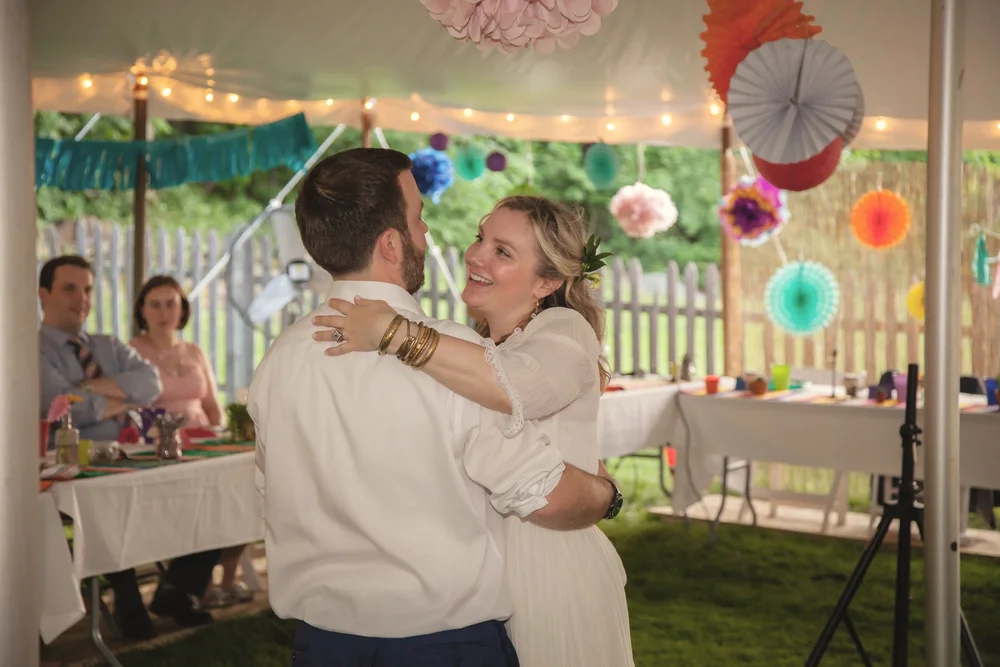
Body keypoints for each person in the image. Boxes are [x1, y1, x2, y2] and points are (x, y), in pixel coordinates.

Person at [248, 148, 621, 667]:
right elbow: (543, 494)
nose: (429, 235)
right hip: (443, 646)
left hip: (321, 646)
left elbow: (271, 486)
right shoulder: (457, 366)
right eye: (419, 218)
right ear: (391, 243)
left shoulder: (279, 359)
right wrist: (607, 493)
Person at [38, 255, 219, 638]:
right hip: (75, 464)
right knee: (106, 505)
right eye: (69, 288)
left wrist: (84, 391)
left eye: (87, 289)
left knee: (210, 490)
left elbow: (151, 385)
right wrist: (118, 398)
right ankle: (127, 598)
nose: (81, 298)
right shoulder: (31, 350)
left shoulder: (107, 345)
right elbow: (57, 404)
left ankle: (177, 589)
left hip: (133, 456)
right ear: (44, 294)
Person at [130, 274, 252, 610]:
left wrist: (221, 435)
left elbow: (212, 406)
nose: (164, 311)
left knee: (241, 487)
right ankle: (195, 584)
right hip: (160, 449)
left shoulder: (194, 351)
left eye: (171, 303)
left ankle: (225, 579)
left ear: (182, 308)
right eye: (155, 304)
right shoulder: (132, 353)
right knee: (202, 501)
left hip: (203, 443)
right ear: (142, 310)